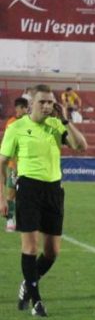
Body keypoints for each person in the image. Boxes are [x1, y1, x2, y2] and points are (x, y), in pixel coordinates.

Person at [0, 84, 89, 318]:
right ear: (32, 104)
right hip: (28, 188)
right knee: (30, 247)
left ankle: (28, 283)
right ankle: (36, 301)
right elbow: (2, 164)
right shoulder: (16, 128)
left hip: (53, 190)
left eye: (51, 102)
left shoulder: (56, 125)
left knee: (52, 252)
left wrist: (66, 120)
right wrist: (3, 198)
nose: (47, 106)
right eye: (43, 102)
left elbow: (81, 145)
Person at [4, 97, 29, 233]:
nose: (23, 111)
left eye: (25, 108)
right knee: (11, 193)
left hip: (28, 166)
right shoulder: (11, 123)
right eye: (21, 108)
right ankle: (9, 220)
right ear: (17, 108)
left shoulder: (30, 122)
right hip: (15, 165)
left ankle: (23, 220)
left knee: (26, 195)